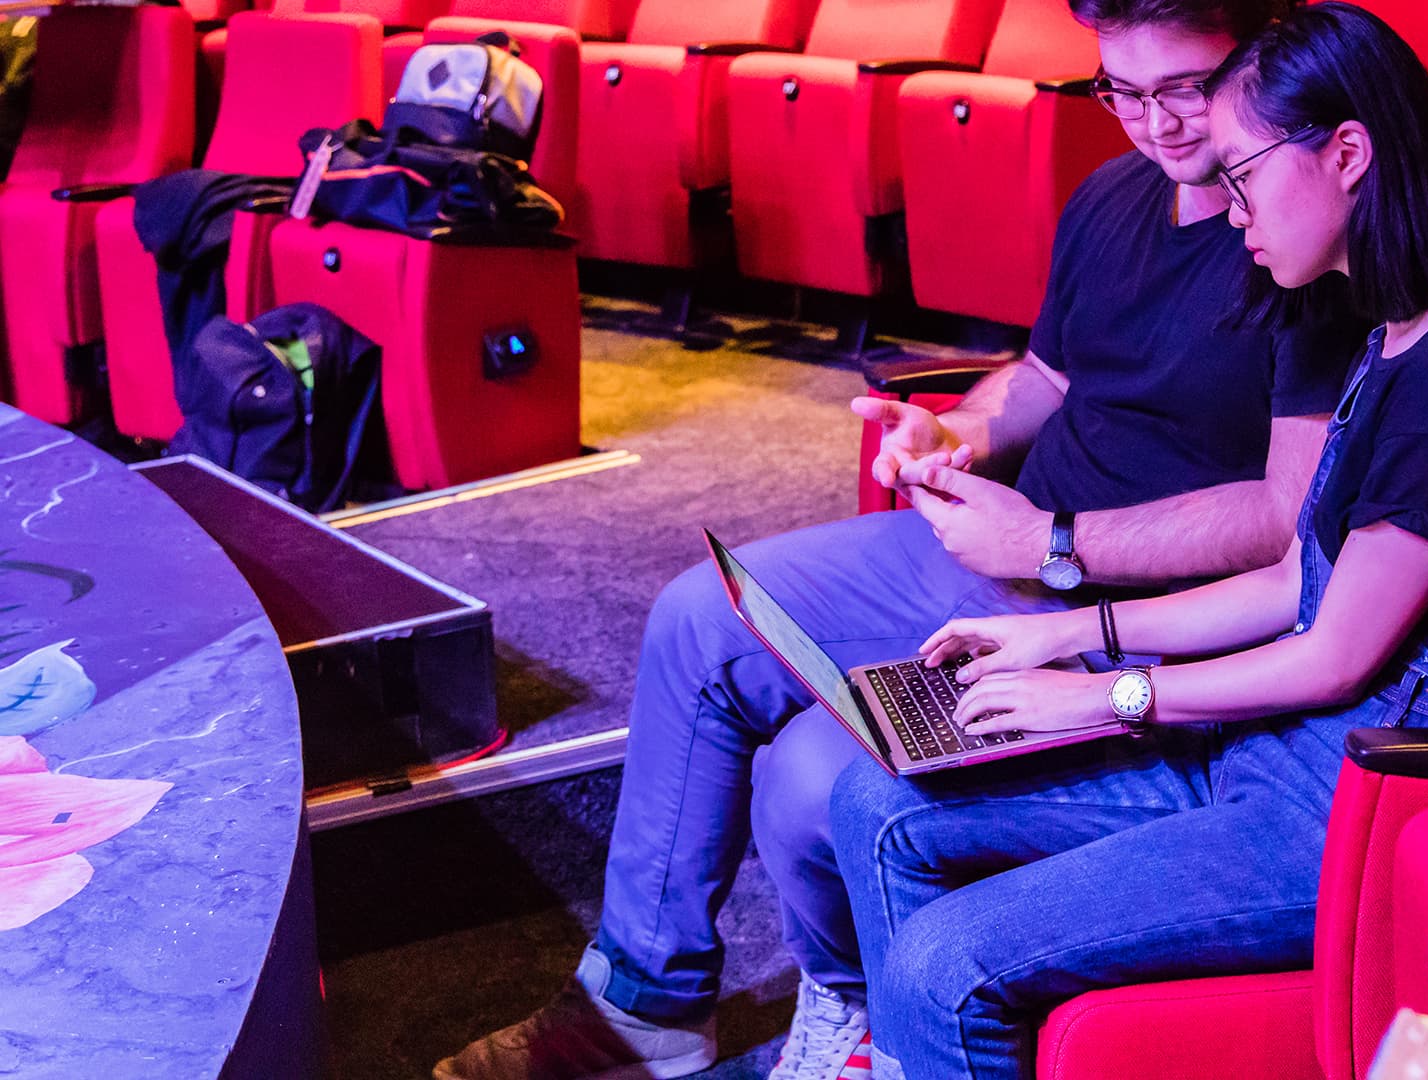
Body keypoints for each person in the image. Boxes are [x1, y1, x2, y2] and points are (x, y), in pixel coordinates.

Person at [434, 0, 1372, 1076]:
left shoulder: (1301, 235)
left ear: (1258, 64)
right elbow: (1049, 381)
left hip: (1131, 612)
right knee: (699, 617)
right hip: (1014, 552)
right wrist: (962, 429)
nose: (1153, 124)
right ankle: (642, 1005)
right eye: (1122, 89)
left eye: (1184, 89)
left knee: (808, 776)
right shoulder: (1112, 196)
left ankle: (858, 1007)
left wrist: (1052, 547)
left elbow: (1282, 520)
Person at [828, 5, 1428, 1078]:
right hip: (1291, 738)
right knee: (879, 800)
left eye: (1243, 175)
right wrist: (1070, 639)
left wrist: (1109, 694)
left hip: (1365, 793)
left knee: (944, 964)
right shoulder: (1395, 326)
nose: (1225, 210)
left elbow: (1334, 652)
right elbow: (1297, 577)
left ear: (1346, 154)